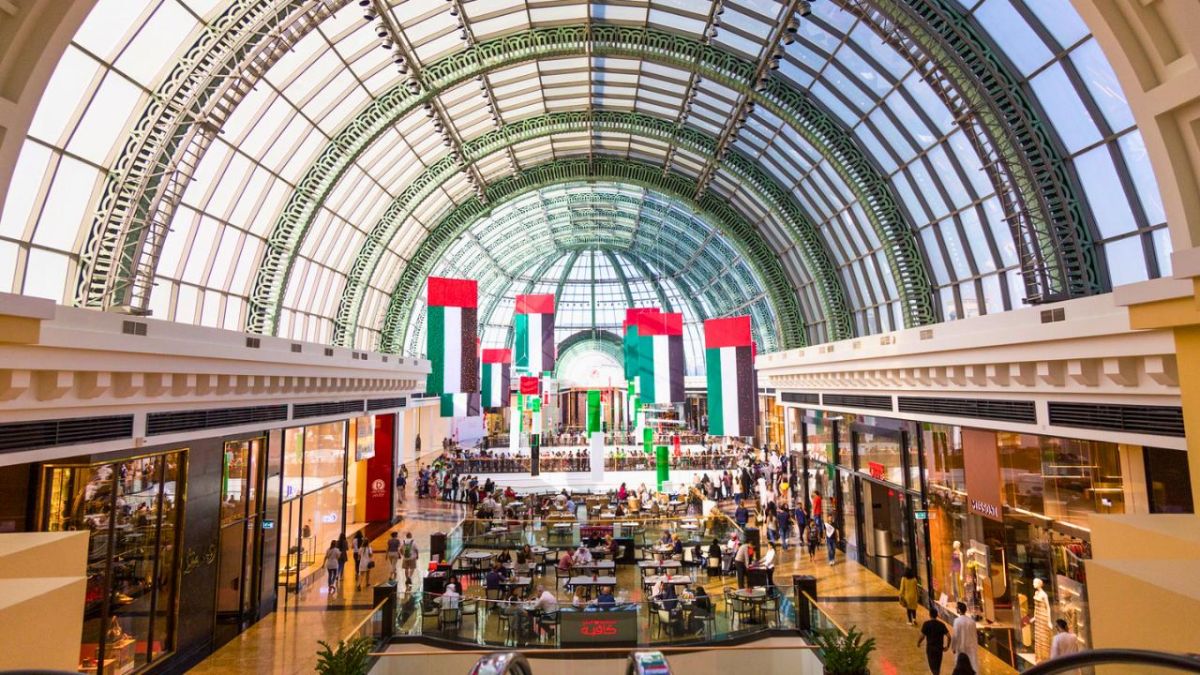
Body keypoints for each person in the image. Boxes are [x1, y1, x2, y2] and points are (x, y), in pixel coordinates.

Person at [918, 608, 950, 674]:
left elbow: (922, 636)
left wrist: (918, 643)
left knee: (932, 666)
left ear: (930, 615)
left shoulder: (926, 624)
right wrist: (947, 646)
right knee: (937, 666)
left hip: (930, 649)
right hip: (939, 648)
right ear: (937, 615)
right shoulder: (941, 624)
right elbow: (949, 636)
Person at [950, 601, 979, 673]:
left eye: (957, 608)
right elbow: (975, 635)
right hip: (971, 647)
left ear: (959, 610)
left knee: (961, 665)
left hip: (961, 647)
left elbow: (955, 635)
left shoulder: (957, 621)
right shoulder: (972, 621)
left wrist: (953, 647)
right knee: (972, 664)